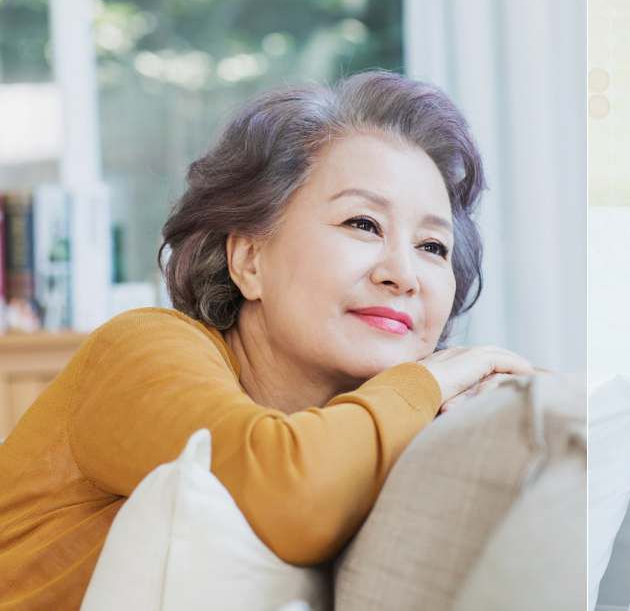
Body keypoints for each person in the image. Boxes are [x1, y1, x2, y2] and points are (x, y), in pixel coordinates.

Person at [0, 71, 533, 609]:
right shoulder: (141, 347)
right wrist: (428, 378)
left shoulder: (385, 426)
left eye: (433, 247)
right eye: (363, 223)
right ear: (249, 259)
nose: (404, 273)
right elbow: (289, 493)